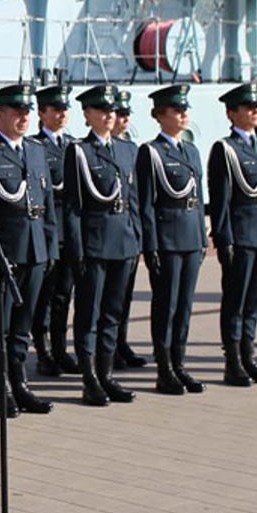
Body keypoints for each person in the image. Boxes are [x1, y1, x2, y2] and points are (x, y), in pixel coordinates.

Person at [0, 83, 56, 417]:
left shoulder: (35, 150)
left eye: (26, 112)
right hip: (4, 251)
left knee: (23, 323)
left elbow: (46, 202)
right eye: (16, 112)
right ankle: (1, 387)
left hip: (35, 248)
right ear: (0, 114)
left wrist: (49, 247)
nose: (23, 118)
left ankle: (20, 382)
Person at [60, 85, 142, 407]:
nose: (109, 115)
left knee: (113, 313)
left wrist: (137, 240)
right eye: (101, 110)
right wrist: (77, 249)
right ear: (88, 115)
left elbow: (132, 199)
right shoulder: (79, 151)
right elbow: (73, 206)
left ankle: (106, 374)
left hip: (123, 241)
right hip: (94, 244)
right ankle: (89, 379)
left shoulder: (126, 150)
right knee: (89, 314)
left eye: (112, 110)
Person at [207, 82, 257, 387]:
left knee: (255, 300)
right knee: (236, 301)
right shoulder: (225, 150)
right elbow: (221, 198)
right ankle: (233, 361)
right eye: (248, 108)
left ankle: (249, 356)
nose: (255, 112)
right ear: (232, 113)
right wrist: (224, 238)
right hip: (241, 234)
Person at [135, 84, 208, 395]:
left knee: (185, 306)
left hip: (191, 235)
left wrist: (203, 236)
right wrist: (150, 245)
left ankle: (179, 363)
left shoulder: (190, 151)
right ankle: (164, 368)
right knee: (166, 304)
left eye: (185, 109)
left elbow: (199, 197)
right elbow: (146, 203)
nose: (183, 114)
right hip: (167, 238)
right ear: (160, 115)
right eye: (177, 110)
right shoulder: (150, 152)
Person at [31, 84, 78, 378]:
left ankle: (60, 349)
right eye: (55, 110)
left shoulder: (74, 145)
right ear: (42, 113)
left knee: (64, 295)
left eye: (65, 110)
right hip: (48, 229)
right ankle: (44, 352)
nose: (62, 115)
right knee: (44, 297)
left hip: (70, 230)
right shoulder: (36, 147)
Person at [109, 89, 149, 370]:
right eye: (118, 114)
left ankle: (120, 343)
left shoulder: (131, 150)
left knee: (124, 296)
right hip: (105, 236)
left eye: (126, 114)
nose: (123, 120)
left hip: (127, 234)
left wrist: (139, 234)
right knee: (106, 302)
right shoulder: (87, 151)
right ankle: (107, 350)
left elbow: (136, 197)